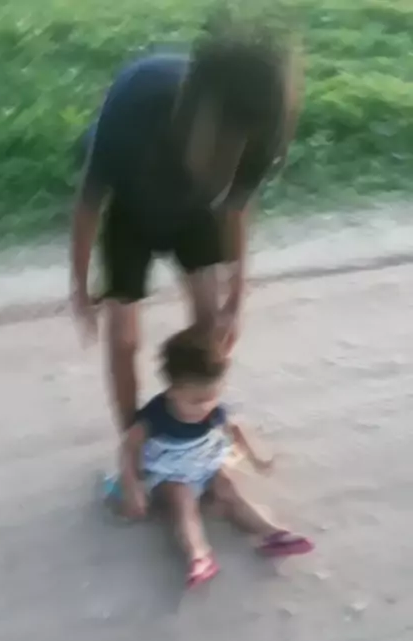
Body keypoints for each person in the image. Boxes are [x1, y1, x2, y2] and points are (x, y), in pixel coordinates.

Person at [70, 13, 300, 432]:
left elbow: (236, 209)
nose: (222, 162)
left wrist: (236, 299)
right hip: (130, 210)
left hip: (195, 213)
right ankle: (133, 436)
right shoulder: (135, 104)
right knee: (123, 338)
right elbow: (88, 205)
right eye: (215, 151)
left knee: (211, 329)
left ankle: (194, 428)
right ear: (188, 116)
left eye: (233, 151)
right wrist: (79, 289)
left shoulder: (258, 128)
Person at [118, 327, 314, 587]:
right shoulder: (156, 415)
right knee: (183, 502)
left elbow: (235, 428)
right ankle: (199, 555)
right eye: (196, 400)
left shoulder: (212, 408)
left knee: (228, 489)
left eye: (212, 396)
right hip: (170, 472)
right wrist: (131, 486)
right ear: (172, 391)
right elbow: (129, 446)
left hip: (205, 463)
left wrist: (256, 457)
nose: (206, 406)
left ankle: (271, 532)